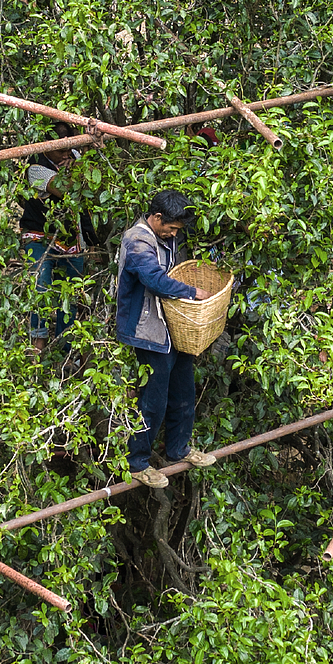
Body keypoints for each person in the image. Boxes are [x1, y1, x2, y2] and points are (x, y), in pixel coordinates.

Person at [116, 190, 219, 488]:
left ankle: (179, 449)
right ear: (157, 218)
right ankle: (137, 463)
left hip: (173, 327)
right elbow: (154, 280)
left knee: (184, 392)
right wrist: (193, 293)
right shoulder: (137, 240)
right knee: (153, 400)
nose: (174, 234)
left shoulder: (168, 236)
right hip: (148, 330)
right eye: (172, 228)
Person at [18, 124, 98, 349]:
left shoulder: (74, 156)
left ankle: (65, 345)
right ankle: (39, 342)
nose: (65, 154)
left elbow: (92, 184)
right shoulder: (35, 167)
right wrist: (74, 171)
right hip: (39, 235)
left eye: (68, 149)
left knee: (70, 293)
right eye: (60, 150)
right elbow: (66, 189)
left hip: (72, 236)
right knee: (40, 287)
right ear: (46, 147)